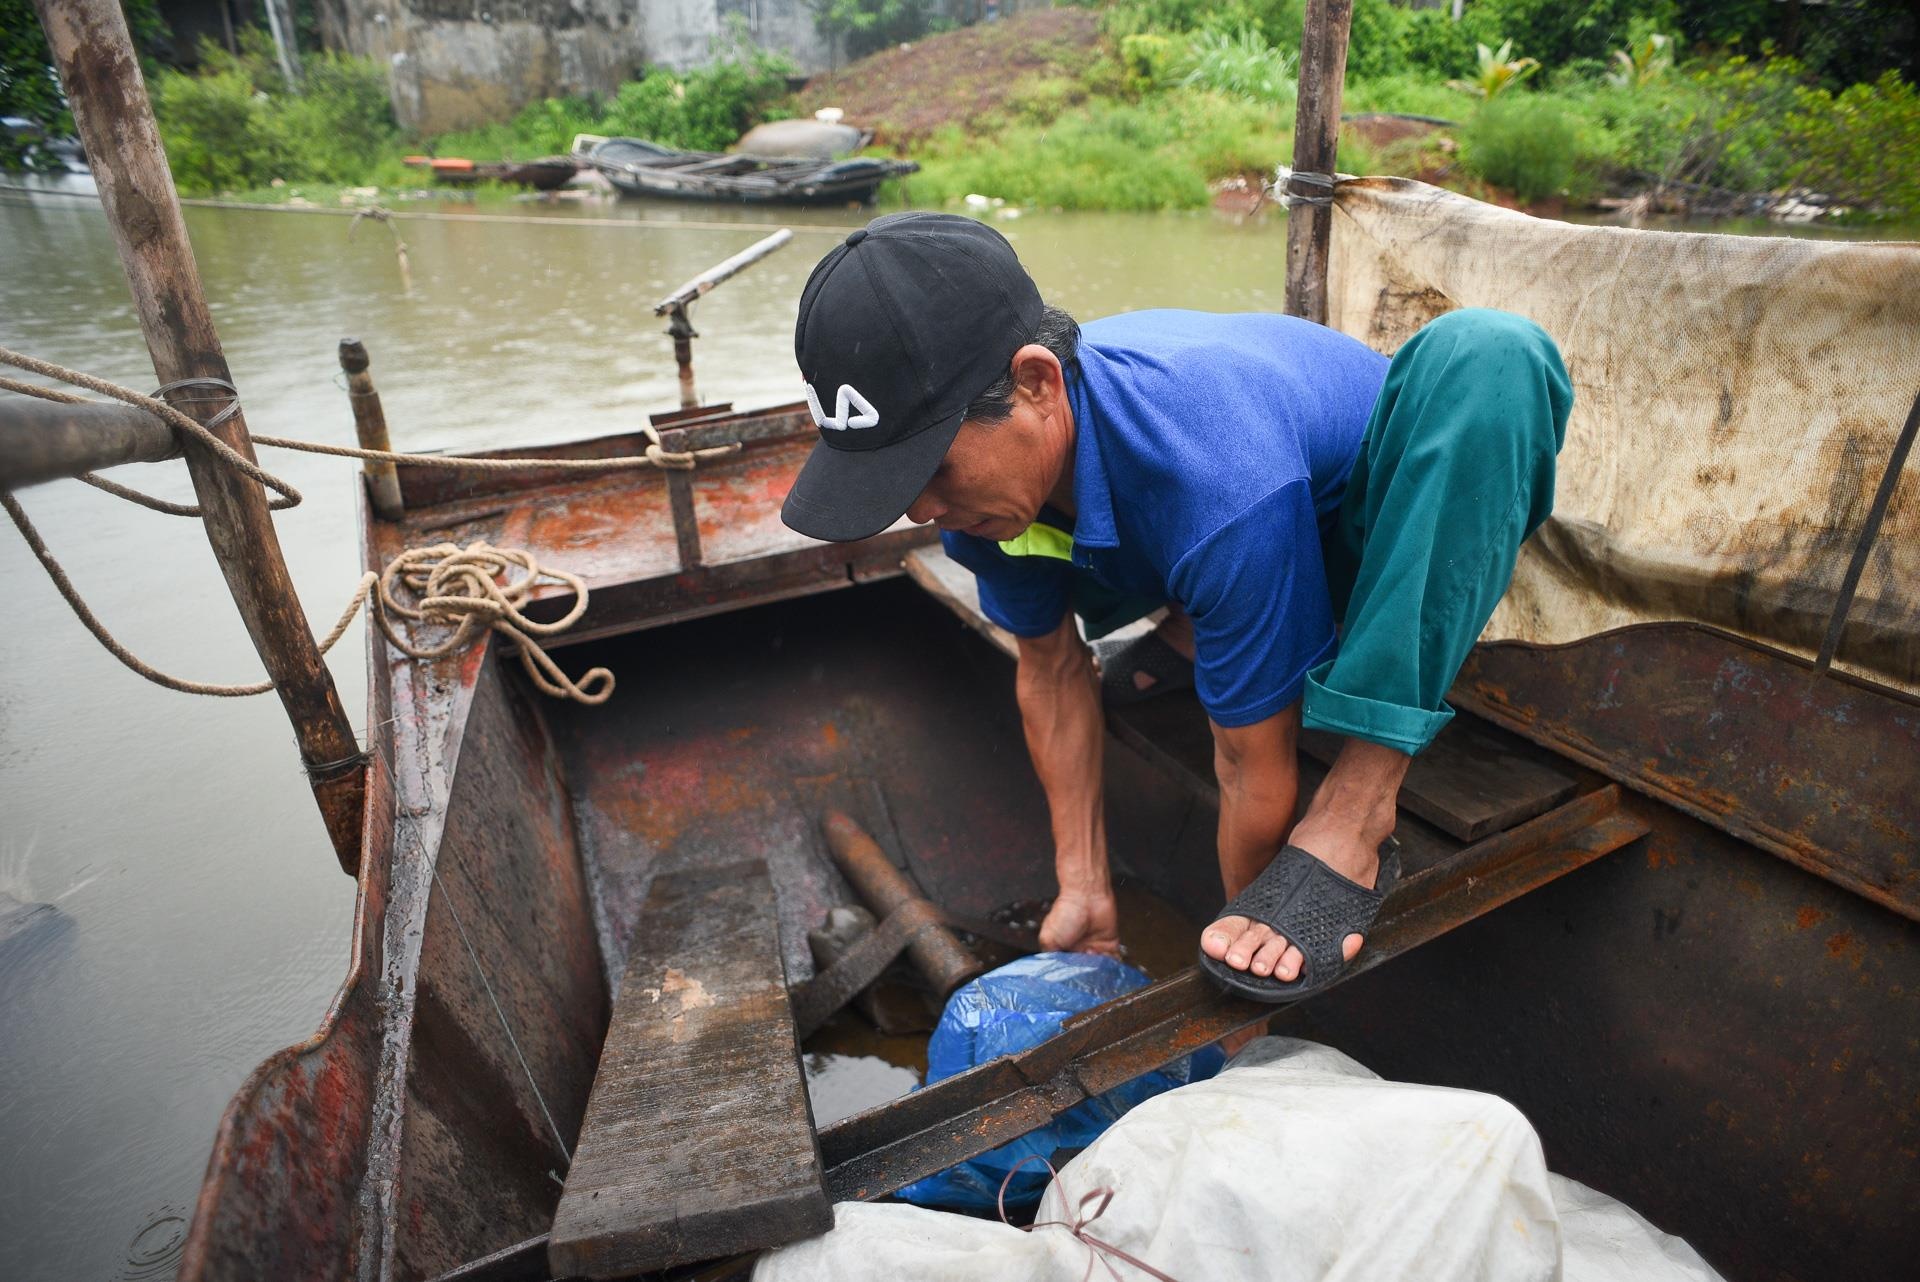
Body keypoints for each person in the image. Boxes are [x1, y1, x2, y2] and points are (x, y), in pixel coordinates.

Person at [780, 212, 1571, 1001]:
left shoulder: (1211, 474)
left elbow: (1247, 760)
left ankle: (1357, 803)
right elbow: (1051, 670)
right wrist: (1083, 886)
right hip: (1225, 539)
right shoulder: (977, 490)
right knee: (1104, 535)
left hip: (1380, 547)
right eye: (897, 482)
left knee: (1492, 354)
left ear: (1038, 382)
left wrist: (1253, 944)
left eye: (933, 470)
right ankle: (1205, 621)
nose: (918, 511)